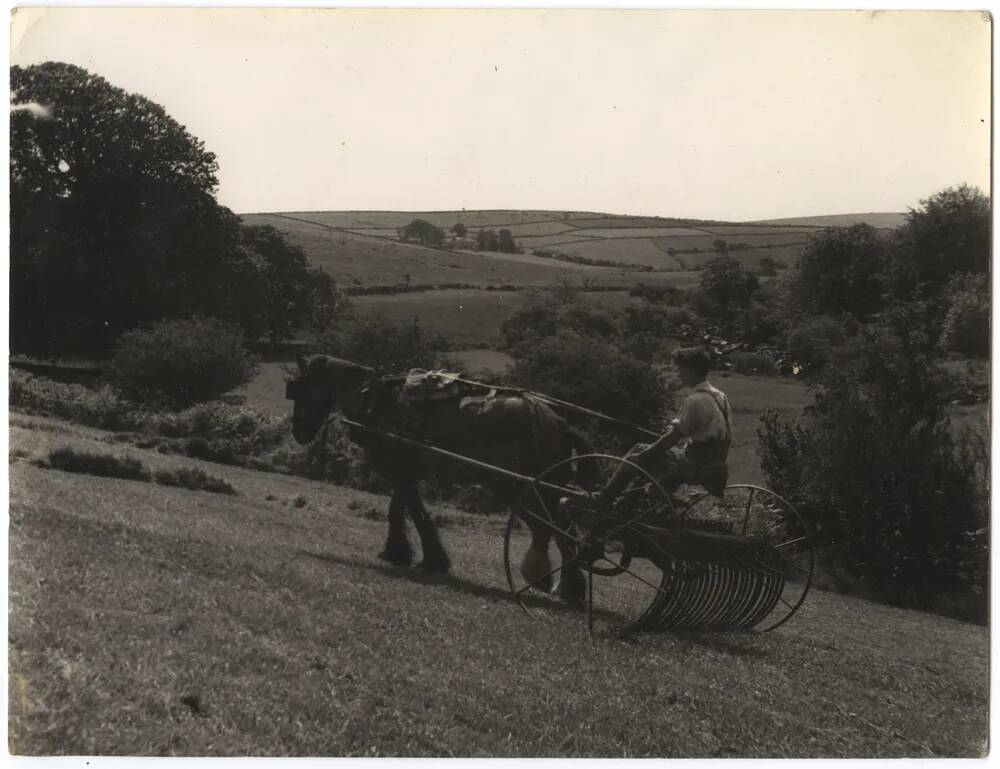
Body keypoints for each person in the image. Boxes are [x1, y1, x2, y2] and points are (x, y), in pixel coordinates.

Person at [599, 347, 732, 504]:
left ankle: (605, 498)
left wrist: (642, 455)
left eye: (680, 370)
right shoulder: (720, 396)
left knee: (640, 450)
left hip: (696, 463)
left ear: (690, 370)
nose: (678, 374)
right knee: (654, 454)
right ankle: (632, 499)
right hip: (716, 461)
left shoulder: (695, 400)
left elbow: (672, 438)